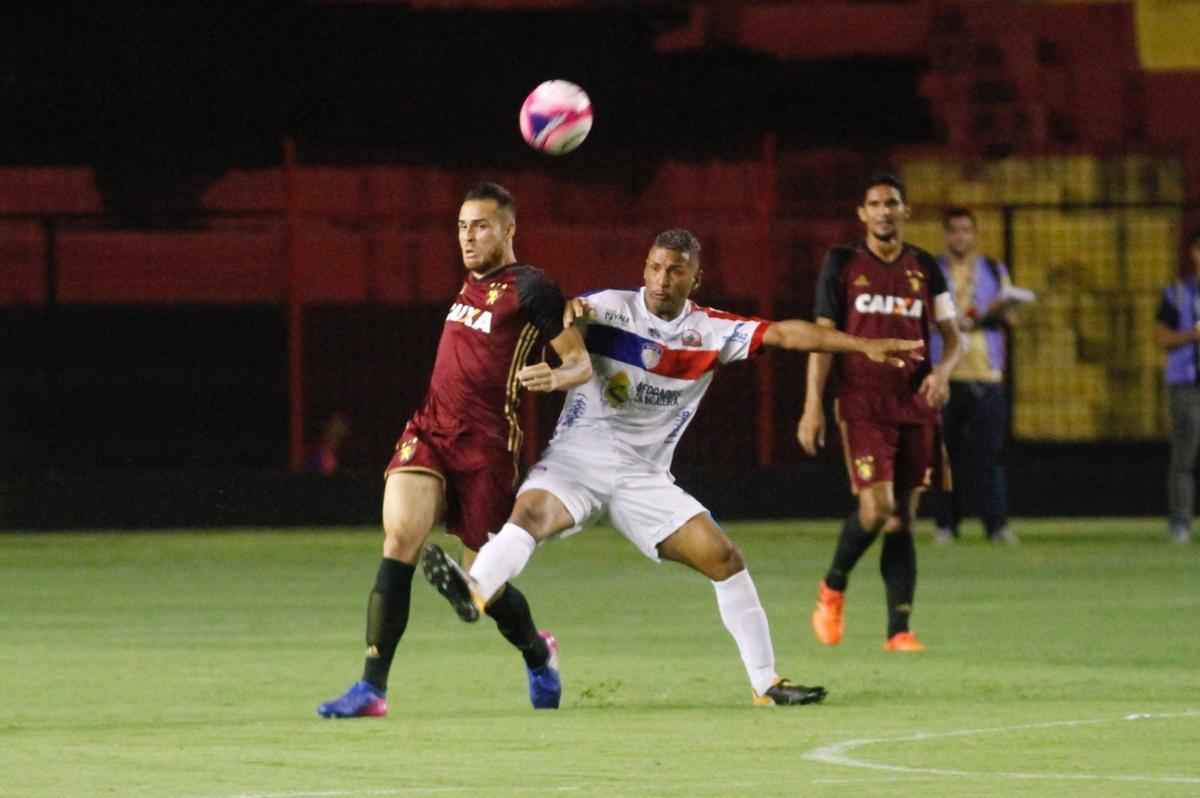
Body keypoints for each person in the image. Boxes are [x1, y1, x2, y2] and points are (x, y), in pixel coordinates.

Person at [420, 228, 923, 706]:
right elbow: (561, 317)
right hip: (578, 459)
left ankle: (767, 682)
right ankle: (475, 587)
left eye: (675, 271)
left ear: (694, 279)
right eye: (656, 267)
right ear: (644, 269)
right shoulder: (609, 308)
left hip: (644, 479)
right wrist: (569, 312)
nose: (662, 279)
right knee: (528, 516)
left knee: (724, 558)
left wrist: (863, 345)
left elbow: (788, 335)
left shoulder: (709, 331)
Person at [317, 181, 592, 717]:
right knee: (400, 538)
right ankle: (372, 688)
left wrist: (554, 377)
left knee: (481, 585)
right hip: (430, 430)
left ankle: (538, 653)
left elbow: (579, 362)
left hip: (488, 449)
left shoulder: (532, 287)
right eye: (462, 227)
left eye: (481, 226)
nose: (468, 237)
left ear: (509, 230)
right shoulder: (470, 283)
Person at [798, 173, 963, 652]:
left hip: (916, 403)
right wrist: (813, 406)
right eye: (875, 204)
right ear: (862, 213)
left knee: (904, 518)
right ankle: (832, 587)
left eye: (892, 203)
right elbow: (821, 339)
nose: (884, 211)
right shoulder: (843, 263)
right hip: (863, 402)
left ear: (905, 211)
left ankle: (899, 630)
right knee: (877, 508)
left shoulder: (925, 266)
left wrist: (944, 372)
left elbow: (952, 335)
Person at [930, 207, 1020, 545]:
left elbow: (1011, 316)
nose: (960, 237)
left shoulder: (994, 270)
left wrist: (1001, 313)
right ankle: (946, 525)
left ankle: (996, 525)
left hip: (987, 374)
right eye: (954, 230)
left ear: (975, 234)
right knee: (945, 455)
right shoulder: (932, 271)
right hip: (945, 374)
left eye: (966, 230)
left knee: (990, 455)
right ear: (946, 234)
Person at [1154, 227, 1200, 545]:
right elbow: (1160, 338)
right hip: (1187, 384)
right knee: (1185, 454)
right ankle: (1181, 522)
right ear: (1194, 253)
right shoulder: (1177, 294)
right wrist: (1193, 335)